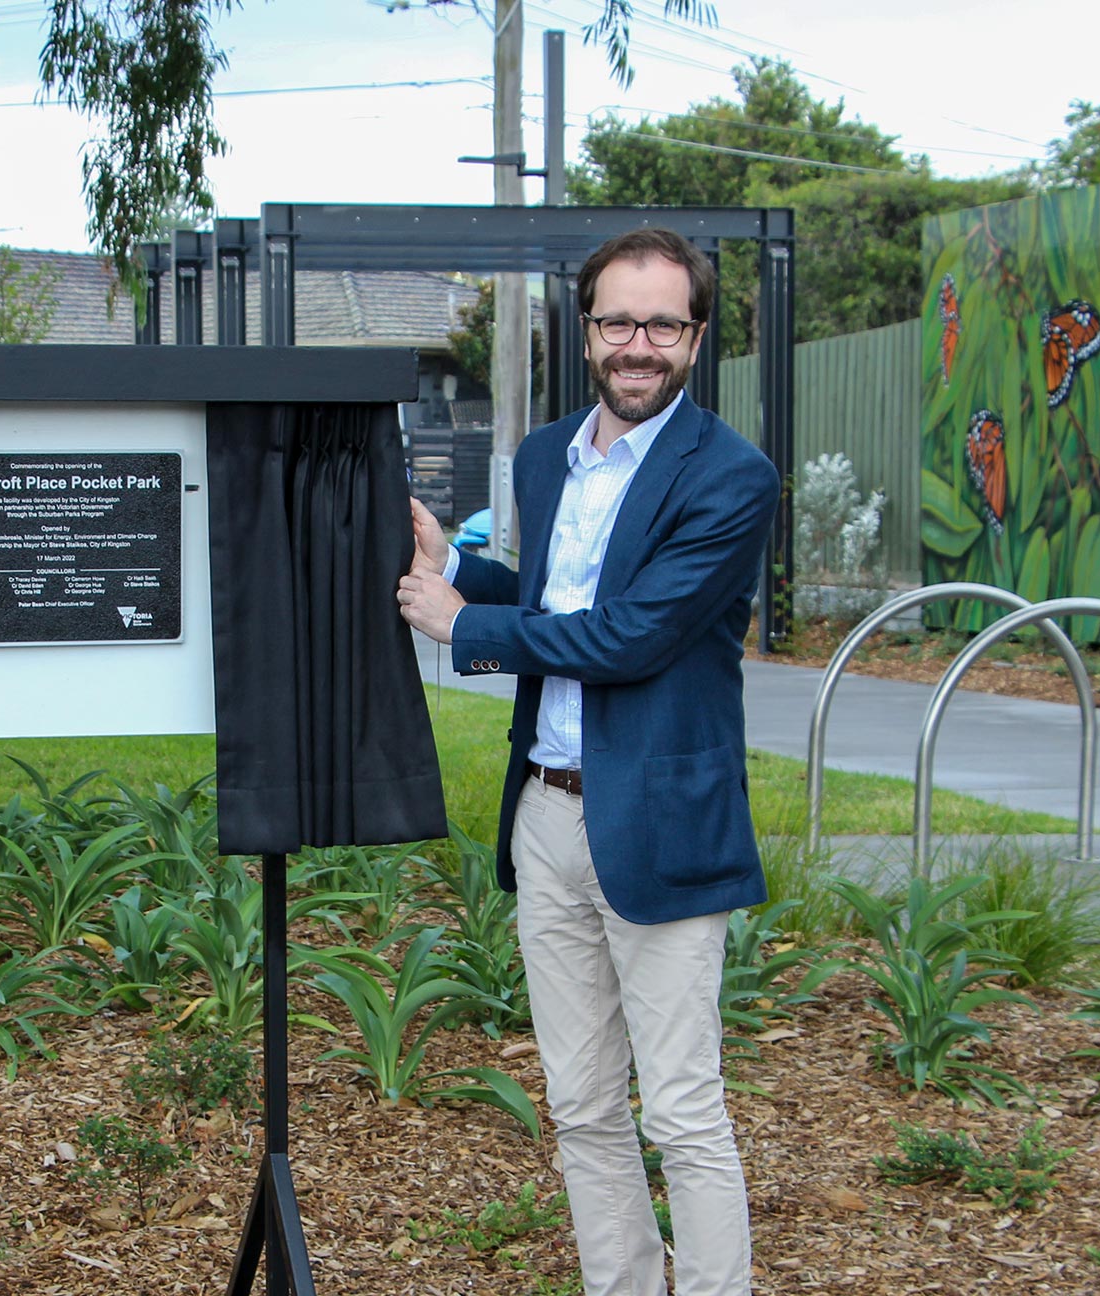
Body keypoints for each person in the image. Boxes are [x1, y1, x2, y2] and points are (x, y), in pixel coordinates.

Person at [397, 226, 779, 1296]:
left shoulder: (732, 478)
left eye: (664, 323)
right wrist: (461, 566)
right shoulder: (547, 456)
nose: (638, 344)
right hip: (549, 818)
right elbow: (562, 603)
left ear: (697, 338)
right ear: (588, 329)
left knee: (685, 1108)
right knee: (579, 1104)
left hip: (659, 823)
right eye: (619, 320)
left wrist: (461, 623)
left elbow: (631, 637)